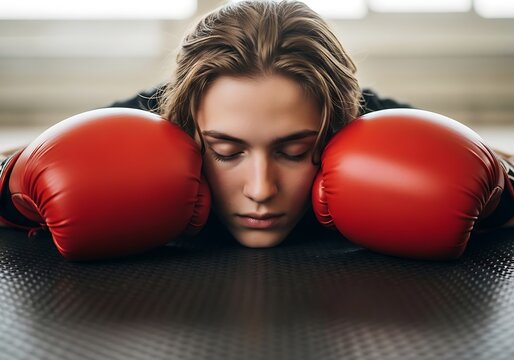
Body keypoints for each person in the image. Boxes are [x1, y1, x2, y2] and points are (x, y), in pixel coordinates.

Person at [1, 0, 513, 260]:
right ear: (187, 129)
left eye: (294, 151)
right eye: (226, 152)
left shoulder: (358, 121)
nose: (262, 190)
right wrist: (14, 185)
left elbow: (492, 166)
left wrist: (498, 195)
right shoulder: (157, 123)